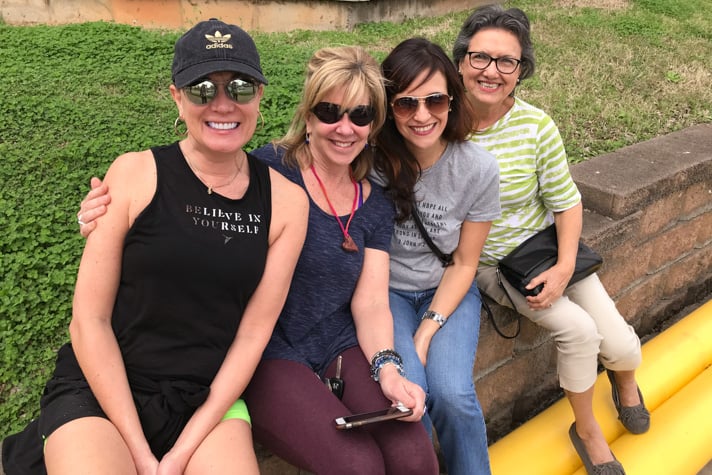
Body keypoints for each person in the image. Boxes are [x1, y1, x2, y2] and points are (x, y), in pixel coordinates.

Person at [72, 45, 440, 475]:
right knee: (356, 464)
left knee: (415, 457)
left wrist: (387, 367)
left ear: (374, 124)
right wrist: (101, 215)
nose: (345, 129)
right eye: (330, 112)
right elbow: (187, 206)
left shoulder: (372, 203)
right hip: (267, 349)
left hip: (336, 344)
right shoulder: (266, 173)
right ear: (307, 114)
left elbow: (372, 302)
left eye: (360, 116)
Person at [1, 18, 308, 475]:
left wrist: (181, 451)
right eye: (203, 88)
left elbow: (251, 337)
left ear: (259, 97)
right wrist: (140, 453)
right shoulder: (133, 175)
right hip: (102, 388)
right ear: (177, 98)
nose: (222, 103)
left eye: (239, 87)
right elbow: (90, 321)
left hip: (205, 398)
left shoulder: (287, 204)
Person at [453, 5, 650, 475]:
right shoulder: (436, 122)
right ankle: (585, 430)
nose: (491, 72)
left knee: (621, 344)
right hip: (495, 264)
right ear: (460, 60)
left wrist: (564, 268)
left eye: (508, 62)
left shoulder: (535, 125)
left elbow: (567, 202)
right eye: (480, 57)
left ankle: (626, 382)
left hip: (547, 249)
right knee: (580, 331)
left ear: (522, 72)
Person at [373, 38, 500, 475]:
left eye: (435, 100)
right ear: (389, 106)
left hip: (447, 288)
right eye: (406, 103)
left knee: (454, 394)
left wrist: (426, 333)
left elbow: (466, 263)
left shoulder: (478, 168)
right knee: (412, 394)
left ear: (452, 99)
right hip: (385, 291)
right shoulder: (371, 160)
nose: (423, 115)